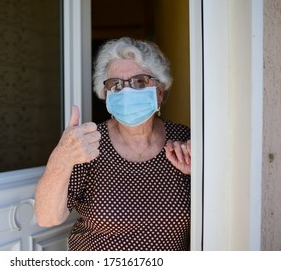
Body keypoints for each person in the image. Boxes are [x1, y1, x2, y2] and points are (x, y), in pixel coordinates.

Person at [35, 37, 191, 251]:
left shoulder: (184, 140)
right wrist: (62, 156)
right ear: (106, 95)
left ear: (160, 92)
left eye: (139, 82)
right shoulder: (89, 142)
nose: (126, 91)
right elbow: (47, 217)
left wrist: (198, 174)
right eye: (115, 84)